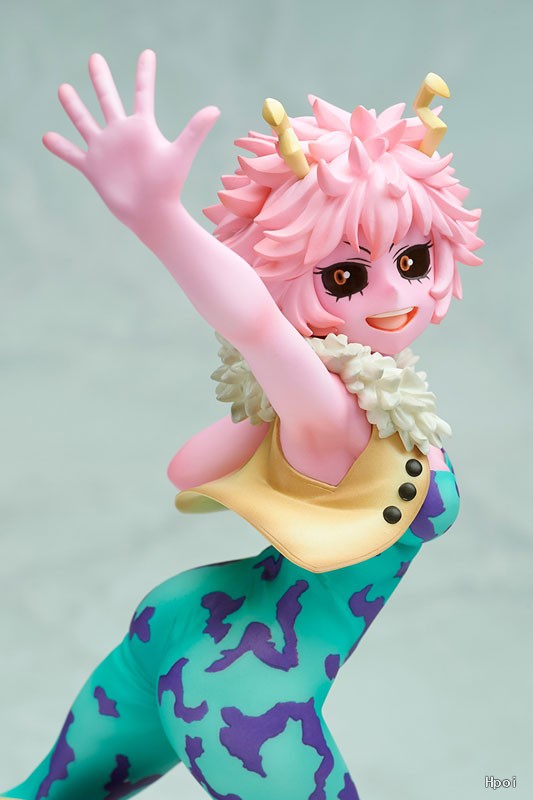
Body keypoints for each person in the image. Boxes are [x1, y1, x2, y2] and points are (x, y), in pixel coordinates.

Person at [3, 51, 482, 799]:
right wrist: (161, 220)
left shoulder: (339, 401)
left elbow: (188, 466)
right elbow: (256, 323)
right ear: (285, 274)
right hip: (246, 684)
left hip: (183, 617)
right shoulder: (331, 409)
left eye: (414, 259)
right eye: (347, 276)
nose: (393, 295)